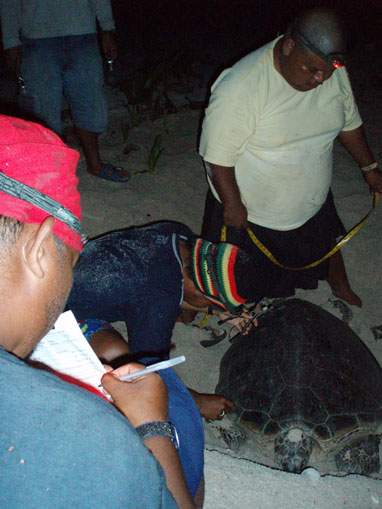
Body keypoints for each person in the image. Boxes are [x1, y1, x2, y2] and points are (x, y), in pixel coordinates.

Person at [0, 115, 200, 508]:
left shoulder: (169, 237)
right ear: (40, 250)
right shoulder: (87, 439)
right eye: (71, 263)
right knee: (172, 397)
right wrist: (153, 427)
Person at [199, 7, 382, 308]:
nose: (321, 78)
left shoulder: (331, 73)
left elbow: (349, 124)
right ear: (288, 46)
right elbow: (217, 156)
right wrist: (232, 205)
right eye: (311, 69)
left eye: (329, 68)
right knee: (229, 283)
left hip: (313, 201)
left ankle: (339, 284)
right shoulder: (241, 87)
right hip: (252, 213)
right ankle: (196, 309)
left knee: (327, 243)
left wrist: (370, 167)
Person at [65, 221, 258, 420]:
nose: (212, 310)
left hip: (73, 263)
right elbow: (149, 372)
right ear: (199, 292)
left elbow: (175, 290)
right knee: (118, 355)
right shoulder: (159, 298)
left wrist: (215, 309)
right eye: (212, 304)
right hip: (57, 311)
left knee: (184, 314)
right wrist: (197, 401)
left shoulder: (178, 234)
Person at [0, 0, 130, 183]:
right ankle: (50, 172)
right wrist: (11, 41)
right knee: (41, 110)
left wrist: (107, 28)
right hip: (36, 38)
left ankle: (95, 164)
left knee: (90, 103)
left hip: (83, 33)